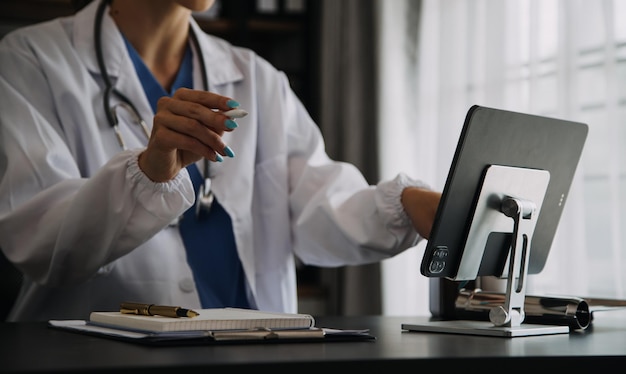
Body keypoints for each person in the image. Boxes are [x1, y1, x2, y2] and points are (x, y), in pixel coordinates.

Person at [0, 0, 441, 321]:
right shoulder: (29, 61)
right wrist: (146, 174)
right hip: (99, 355)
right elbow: (40, 239)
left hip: (253, 347)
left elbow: (320, 207)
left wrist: (408, 205)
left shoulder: (257, 78)